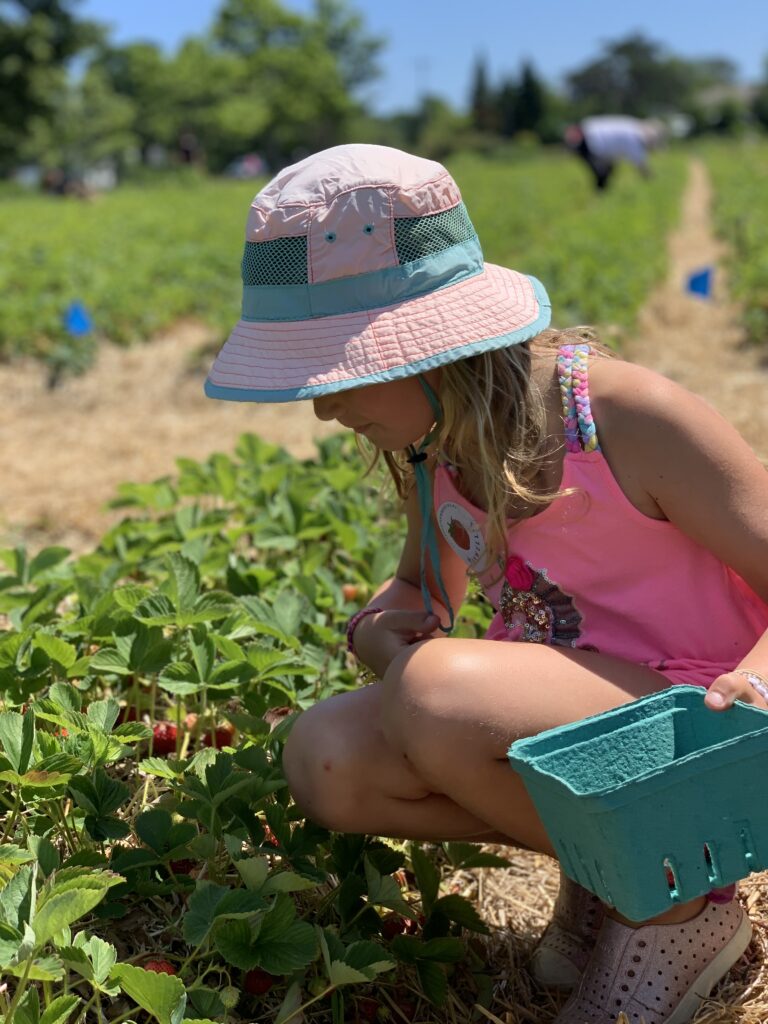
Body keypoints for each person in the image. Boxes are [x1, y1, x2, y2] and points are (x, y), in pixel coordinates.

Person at [204, 143, 768, 1023]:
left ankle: (678, 909)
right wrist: (379, 630)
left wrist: (757, 681)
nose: (322, 408)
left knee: (436, 693)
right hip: (585, 724)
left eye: (339, 374)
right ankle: (607, 872)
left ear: (429, 349)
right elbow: (421, 595)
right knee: (327, 761)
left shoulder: (623, 419)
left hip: (711, 726)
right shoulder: (441, 449)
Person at [565, 115, 661, 191]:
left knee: (608, 170)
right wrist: (651, 180)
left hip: (586, 132)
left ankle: (601, 195)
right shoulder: (635, 138)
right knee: (601, 172)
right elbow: (641, 165)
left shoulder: (632, 125)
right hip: (588, 141)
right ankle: (599, 198)